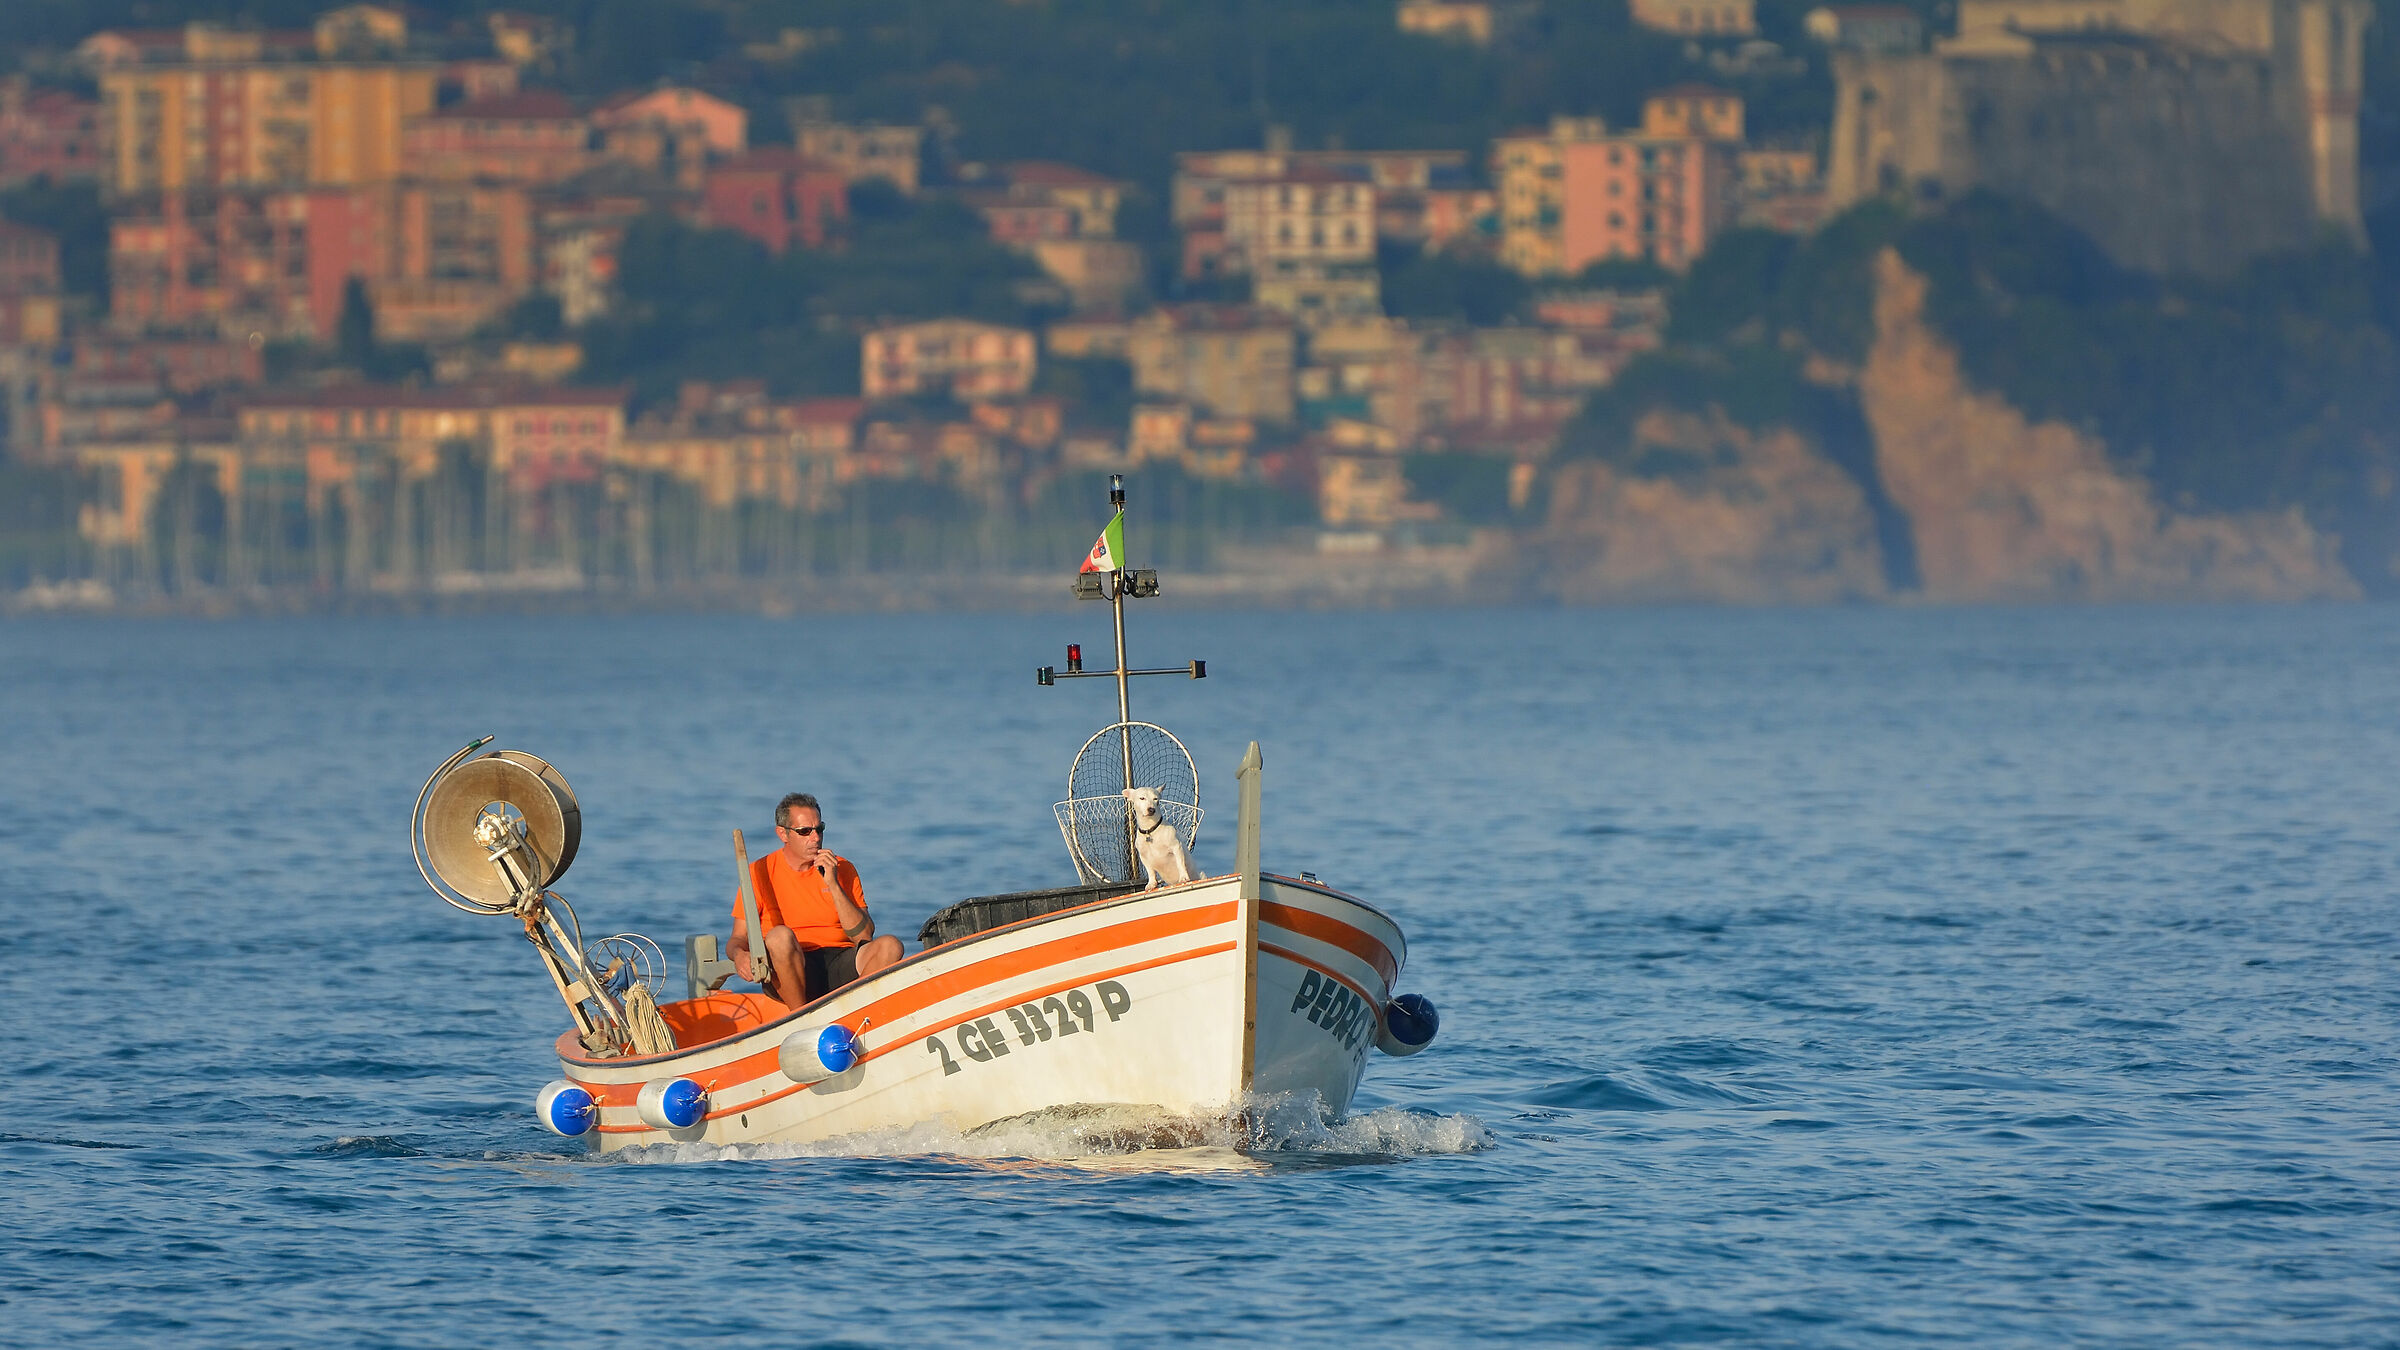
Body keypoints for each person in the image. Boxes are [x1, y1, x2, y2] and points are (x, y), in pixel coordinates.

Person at [730, 793, 904, 1006]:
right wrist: (739, 955)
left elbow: (864, 936)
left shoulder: (841, 867)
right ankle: (799, 1016)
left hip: (840, 960)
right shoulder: (758, 872)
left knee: (891, 945)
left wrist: (833, 884)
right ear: (783, 834)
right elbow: (737, 938)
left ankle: (855, 1011)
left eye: (819, 829)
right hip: (790, 966)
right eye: (805, 831)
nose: (815, 838)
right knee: (779, 936)